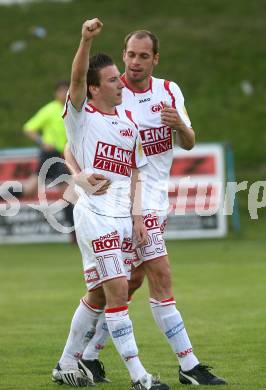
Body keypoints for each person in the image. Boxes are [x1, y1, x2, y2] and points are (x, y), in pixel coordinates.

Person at [54, 26, 227, 387]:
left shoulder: (167, 92)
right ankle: (187, 365)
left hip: (147, 201)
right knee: (156, 276)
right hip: (127, 206)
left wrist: (179, 123)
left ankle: (82, 357)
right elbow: (72, 144)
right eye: (129, 55)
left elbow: (189, 143)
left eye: (142, 56)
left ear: (155, 59)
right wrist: (78, 176)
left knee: (117, 287)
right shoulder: (105, 99)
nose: (133, 64)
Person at [52, 18, 169, 390]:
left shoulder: (128, 125)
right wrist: (85, 40)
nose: (122, 83)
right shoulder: (81, 118)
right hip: (95, 216)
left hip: (122, 217)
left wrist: (137, 217)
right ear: (94, 88)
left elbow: (135, 174)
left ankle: (67, 363)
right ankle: (140, 377)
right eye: (114, 79)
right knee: (118, 290)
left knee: (99, 293)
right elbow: (74, 81)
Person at [5, 80, 75, 234]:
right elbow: (28, 128)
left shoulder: (72, 109)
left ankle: (72, 232)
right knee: (67, 192)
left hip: (62, 155)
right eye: (61, 91)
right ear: (56, 93)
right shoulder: (50, 109)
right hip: (50, 155)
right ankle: (74, 233)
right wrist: (42, 142)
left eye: (66, 90)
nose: (64, 94)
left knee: (30, 190)